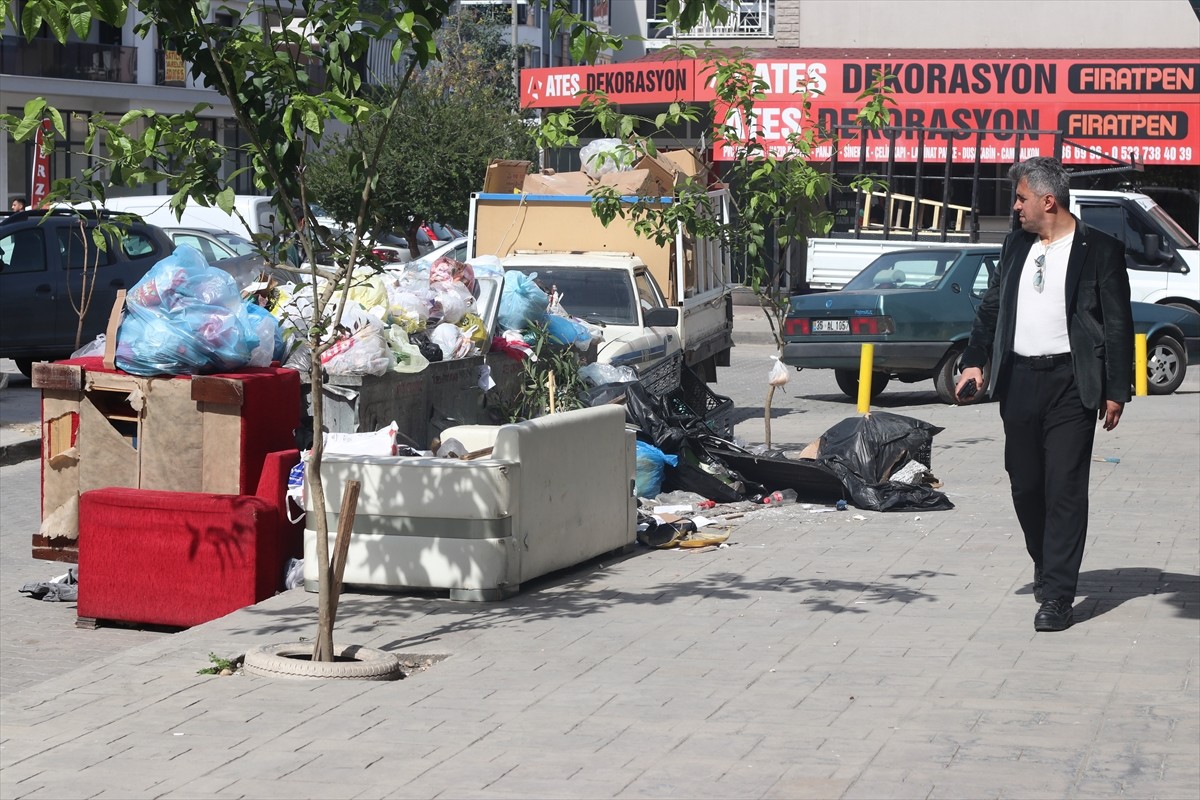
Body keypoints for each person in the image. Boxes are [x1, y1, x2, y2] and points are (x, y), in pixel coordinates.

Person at [956, 156, 1133, 633]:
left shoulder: (1100, 249)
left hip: (1072, 383)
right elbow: (991, 308)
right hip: (1018, 380)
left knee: (1065, 489)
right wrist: (974, 360)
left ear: (1048, 201)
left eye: (1021, 198)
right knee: (1026, 485)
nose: (1015, 207)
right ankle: (1045, 560)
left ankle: (1057, 595)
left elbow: (1118, 322)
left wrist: (1117, 389)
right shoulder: (1016, 244)